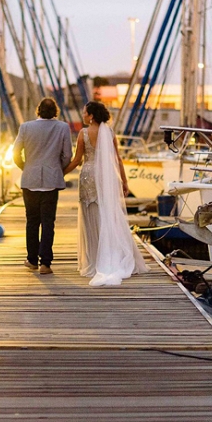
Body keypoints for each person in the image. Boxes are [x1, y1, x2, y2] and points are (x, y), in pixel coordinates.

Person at [64, 100, 148, 285]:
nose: (83, 116)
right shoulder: (109, 133)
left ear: (92, 115)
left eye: (85, 113)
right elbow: (117, 159)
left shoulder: (83, 134)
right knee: (108, 215)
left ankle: (95, 261)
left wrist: (60, 172)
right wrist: (124, 181)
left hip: (88, 176)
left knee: (90, 216)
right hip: (106, 176)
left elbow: (77, 160)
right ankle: (114, 256)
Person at [13, 96, 72, 275]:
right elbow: (67, 155)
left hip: (29, 180)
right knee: (48, 222)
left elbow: (15, 153)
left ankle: (31, 260)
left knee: (32, 221)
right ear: (55, 111)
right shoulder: (63, 127)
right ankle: (45, 263)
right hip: (51, 181)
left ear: (38, 110)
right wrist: (57, 170)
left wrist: (26, 167)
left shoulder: (26, 127)